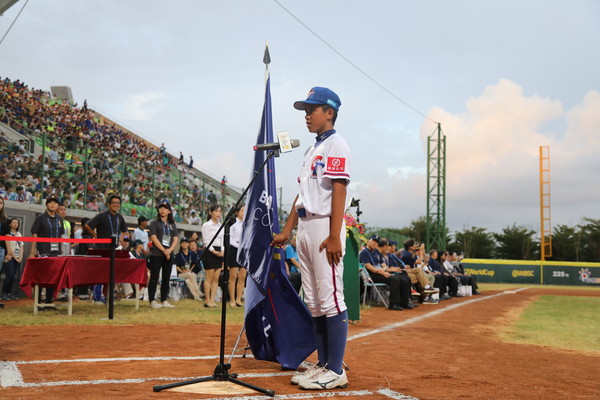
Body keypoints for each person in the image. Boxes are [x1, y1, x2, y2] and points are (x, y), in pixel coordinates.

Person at [271, 87, 350, 390]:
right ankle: (324, 364)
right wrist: (287, 230)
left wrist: (334, 235)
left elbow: (339, 189)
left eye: (312, 110)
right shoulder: (311, 149)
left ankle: (337, 369)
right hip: (306, 226)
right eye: (305, 110)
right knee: (315, 301)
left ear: (329, 113)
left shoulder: (337, 144)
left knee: (331, 297)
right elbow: (302, 194)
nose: (306, 115)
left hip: (323, 226)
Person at [360, 235, 412, 311]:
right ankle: (393, 304)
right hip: (372, 275)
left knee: (404, 279)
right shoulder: (364, 252)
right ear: (369, 241)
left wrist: (386, 270)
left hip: (381, 273)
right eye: (373, 241)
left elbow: (383, 265)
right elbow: (368, 266)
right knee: (395, 279)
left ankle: (405, 302)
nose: (375, 244)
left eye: (377, 242)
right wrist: (380, 271)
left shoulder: (376, 253)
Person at [29, 194, 65, 304]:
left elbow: (62, 236)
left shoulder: (60, 219)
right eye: (50, 202)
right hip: (43, 252)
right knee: (41, 277)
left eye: (55, 202)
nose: (53, 204)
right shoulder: (40, 218)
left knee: (52, 277)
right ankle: (38, 301)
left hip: (56, 253)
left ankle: (49, 300)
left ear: (58, 205)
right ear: (46, 204)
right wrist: (32, 252)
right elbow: (35, 234)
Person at [147, 201, 179, 309]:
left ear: (169, 211)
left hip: (169, 255)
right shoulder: (154, 223)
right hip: (156, 254)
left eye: (165, 208)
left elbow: (175, 239)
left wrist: (169, 250)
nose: (162, 210)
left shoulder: (172, 225)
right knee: (154, 277)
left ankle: (164, 299)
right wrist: (164, 250)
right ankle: (152, 300)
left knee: (166, 278)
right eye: (160, 207)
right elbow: (153, 238)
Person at [201, 204, 223, 308]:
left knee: (216, 278)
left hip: (220, 250)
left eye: (220, 211)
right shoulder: (206, 225)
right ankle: (207, 300)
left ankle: (213, 300)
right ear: (211, 212)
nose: (218, 213)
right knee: (209, 277)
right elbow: (206, 240)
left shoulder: (220, 225)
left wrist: (223, 250)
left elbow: (223, 239)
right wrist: (213, 251)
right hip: (210, 251)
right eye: (216, 211)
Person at [228, 205, 246, 307]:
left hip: (244, 250)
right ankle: (232, 299)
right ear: (237, 212)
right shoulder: (233, 223)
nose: (244, 212)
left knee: (242, 276)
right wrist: (238, 245)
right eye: (242, 210)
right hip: (234, 249)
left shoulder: (247, 223)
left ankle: (239, 299)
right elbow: (229, 238)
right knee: (233, 275)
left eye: (245, 210)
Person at [2, 217, 22, 301]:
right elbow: (9, 247)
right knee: (9, 275)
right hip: (10, 257)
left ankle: (10, 294)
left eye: (17, 223)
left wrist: (20, 257)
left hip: (17, 258)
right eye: (13, 222)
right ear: (10, 224)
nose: (15, 224)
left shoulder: (19, 234)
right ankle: (4, 293)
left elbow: (21, 246)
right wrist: (15, 257)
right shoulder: (8, 234)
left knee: (13, 276)